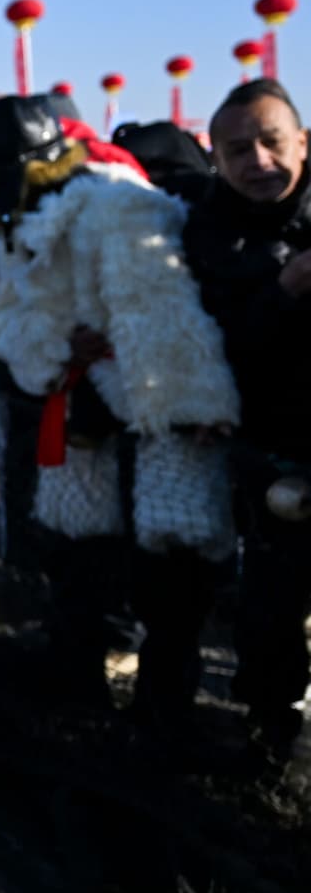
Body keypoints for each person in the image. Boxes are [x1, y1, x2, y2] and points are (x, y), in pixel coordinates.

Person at [0, 94, 238, 725]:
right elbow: (8, 319)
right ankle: (81, 693)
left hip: (157, 415)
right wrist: (55, 346)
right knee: (81, 561)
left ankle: (161, 722)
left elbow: (161, 309)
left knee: (167, 578)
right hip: (86, 414)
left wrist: (191, 404)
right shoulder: (40, 215)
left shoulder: (114, 203)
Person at [182, 79, 311, 763]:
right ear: (217, 160)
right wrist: (285, 292)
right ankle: (270, 741)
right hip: (272, 456)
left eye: (271, 142)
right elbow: (213, 349)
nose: (259, 161)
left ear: (303, 143)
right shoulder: (203, 237)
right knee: (268, 615)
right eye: (238, 150)